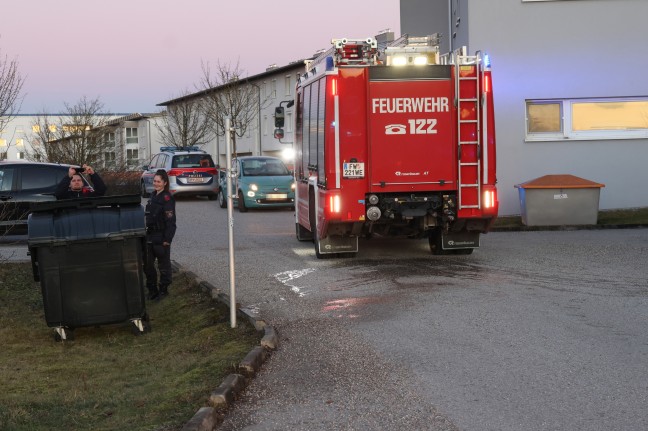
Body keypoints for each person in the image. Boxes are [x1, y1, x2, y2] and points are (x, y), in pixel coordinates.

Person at [144, 169, 177, 300]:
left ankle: (163, 290)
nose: (156, 183)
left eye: (158, 181)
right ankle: (152, 290)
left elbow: (171, 221)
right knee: (147, 264)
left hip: (161, 236)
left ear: (164, 183)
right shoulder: (153, 196)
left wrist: (167, 239)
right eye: (155, 181)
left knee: (163, 265)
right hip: (150, 235)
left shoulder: (167, 198)